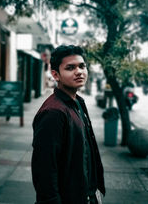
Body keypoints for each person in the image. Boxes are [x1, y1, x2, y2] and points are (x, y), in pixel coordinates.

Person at [31, 45, 105, 204]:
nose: (79, 71)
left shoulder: (77, 102)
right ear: (55, 75)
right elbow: (44, 169)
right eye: (70, 68)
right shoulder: (53, 113)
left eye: (82, 66)